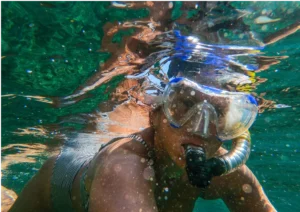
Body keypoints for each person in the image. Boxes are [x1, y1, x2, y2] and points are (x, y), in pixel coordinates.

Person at [9, 74, 277, 212]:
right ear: (156, 113)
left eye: (217, 113)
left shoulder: (222, 169)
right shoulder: (124, 166)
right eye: (185, 105)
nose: (200, 128)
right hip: (58, 190)